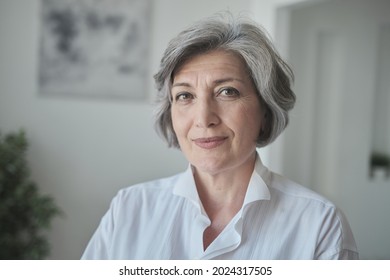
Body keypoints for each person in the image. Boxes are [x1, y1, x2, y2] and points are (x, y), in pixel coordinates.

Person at [81, 13, 359, 260]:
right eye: (185, 96)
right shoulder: (130, 208)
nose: (204, 118)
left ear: (265, 108)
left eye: (227, 92)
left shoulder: (320, 224)